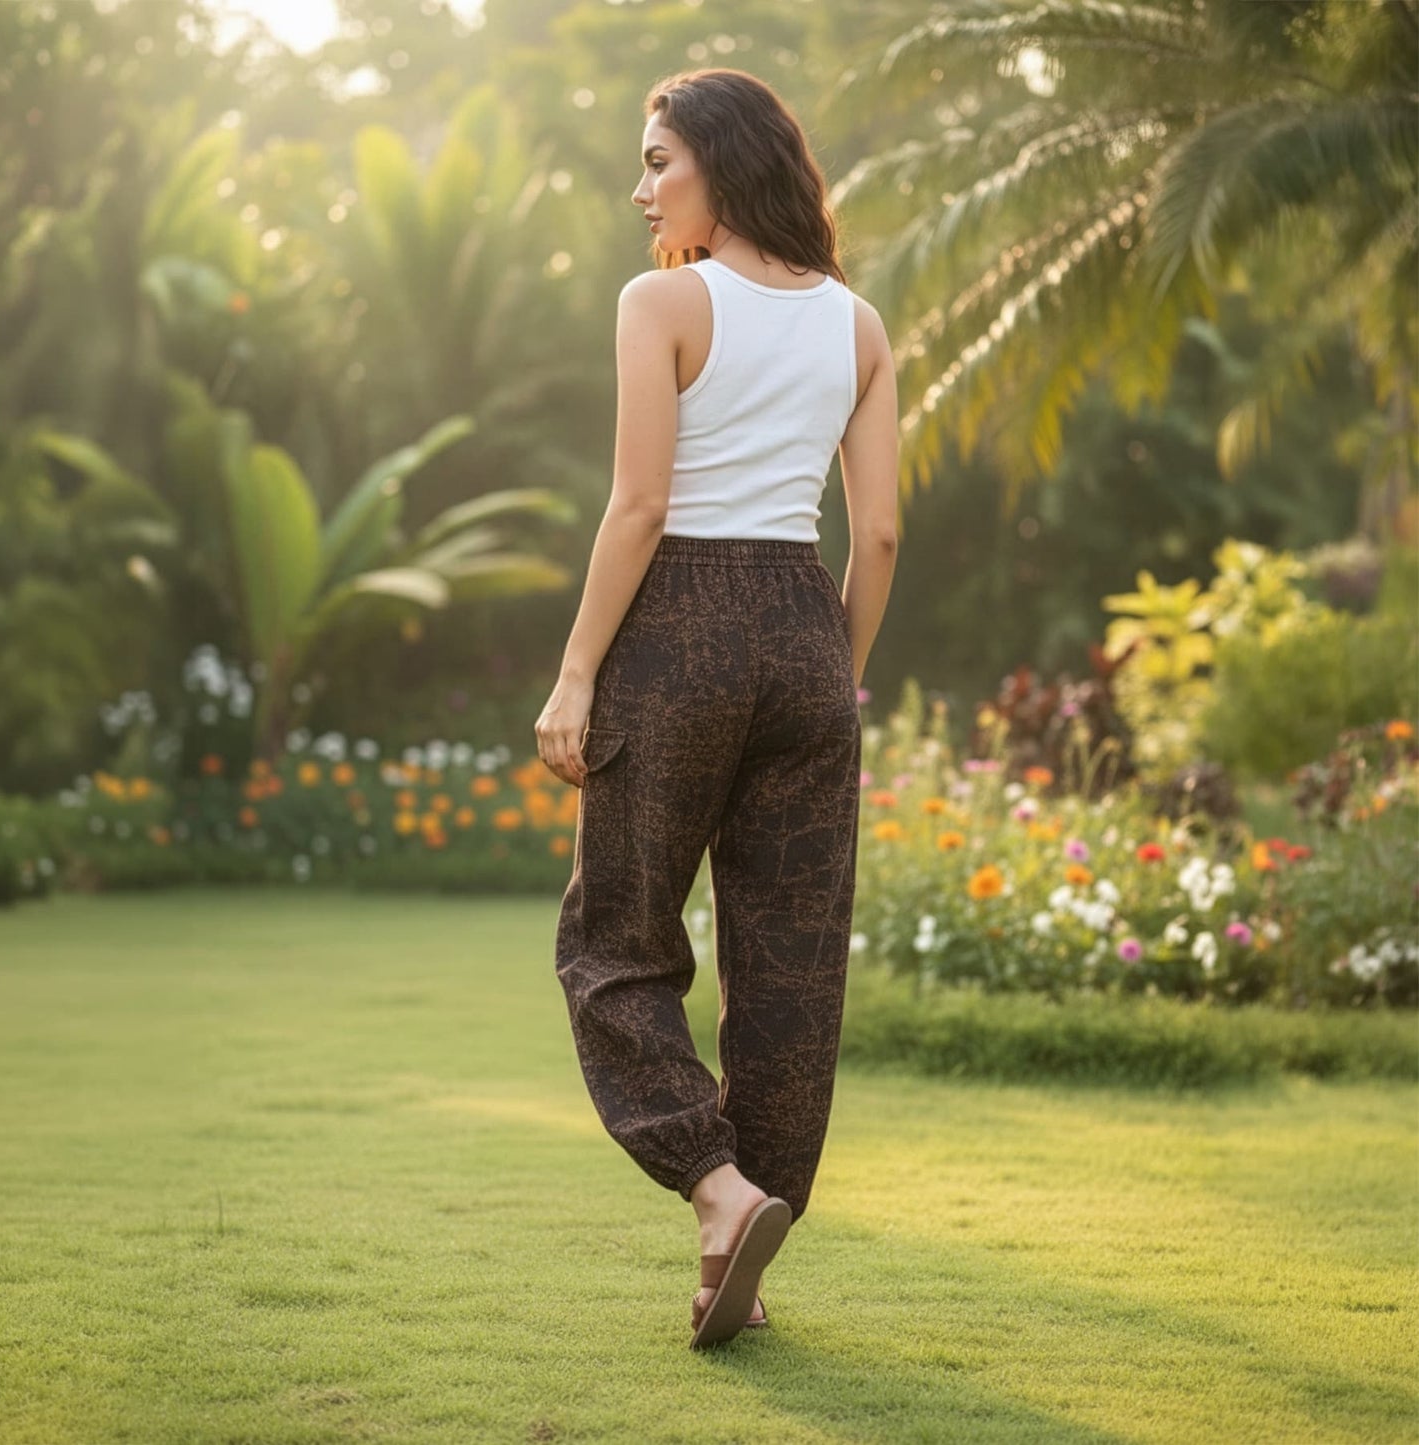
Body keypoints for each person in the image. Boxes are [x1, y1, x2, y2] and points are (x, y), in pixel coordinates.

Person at [536, 67, 898, 1348]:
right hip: (807, 624)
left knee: (613, 944)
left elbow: (637, 504)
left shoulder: (663, 301)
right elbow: (886, 532)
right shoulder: (856, 324)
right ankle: (738, 1252)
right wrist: (823, 672)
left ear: (720, 166)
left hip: (679, 621)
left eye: (656, 162)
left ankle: (715, 1185)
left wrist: (577, 670)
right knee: (789, 969)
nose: (640, 192)